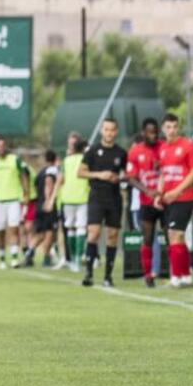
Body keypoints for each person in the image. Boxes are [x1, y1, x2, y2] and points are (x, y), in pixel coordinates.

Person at [78, 118, 134, 287]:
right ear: (102, 130)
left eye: (112, 130)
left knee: (112, 236)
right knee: (93, 233)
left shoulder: (121, 153)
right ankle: (88, 273)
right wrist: (99, 174)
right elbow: (80, 172)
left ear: (116, 132)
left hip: (114, 198)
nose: (109, 133)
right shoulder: (93, 151)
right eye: (106, 129)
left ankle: (108, 276)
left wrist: (120, 178)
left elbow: (127, 175)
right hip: (96, 197)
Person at [156, 113, 193, 287]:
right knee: (177, 237)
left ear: (178, 128)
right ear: (163, 128)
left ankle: (176, 277)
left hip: (185, 197)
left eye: (175, 127)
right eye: (168, 127)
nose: (171, 130)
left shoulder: (187, 146)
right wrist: (159, 195)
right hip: (169, 199)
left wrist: (177, 191)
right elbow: (164, 174)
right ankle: (185, 275)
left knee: (174, 234)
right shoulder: (163, 148)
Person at [0, 138, 31, 269]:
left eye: (2, 146)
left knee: (14, 229)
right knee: (0, 231)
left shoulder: (14, 160)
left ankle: (14, 258)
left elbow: (24, 175)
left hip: (13, 199)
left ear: (6, 147)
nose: (0, 148)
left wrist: (26, 193)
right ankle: (2, 259)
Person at [126, 118, 162, 286]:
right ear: (143, 133)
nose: (153, 135)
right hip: (146, 202)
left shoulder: (163, 147)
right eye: (150, 132)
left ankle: (176, 274)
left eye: (155, 132)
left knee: (173, 236)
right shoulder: (135, 152)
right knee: (147, 238)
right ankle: (148, 276)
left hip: (165, 200)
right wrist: (147, 190)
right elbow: (131, 178)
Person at [49, 133, 88, 272]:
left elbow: (60, 180)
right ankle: (77, 259)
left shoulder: (66, 161)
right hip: (82, 197)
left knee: (70, 228)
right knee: (81, 228)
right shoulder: (86, 159)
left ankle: (72, 260)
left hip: (67, 198)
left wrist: (52, 198)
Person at [23, 151, 59, 268]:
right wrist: (49, 201)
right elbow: (49, 183)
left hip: (38, 205)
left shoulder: (40, 173)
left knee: (40, 233)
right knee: (49, 233)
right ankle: (46, 258)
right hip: (48, 206)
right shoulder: (52, 170)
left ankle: (29, 253)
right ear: (55, 159)